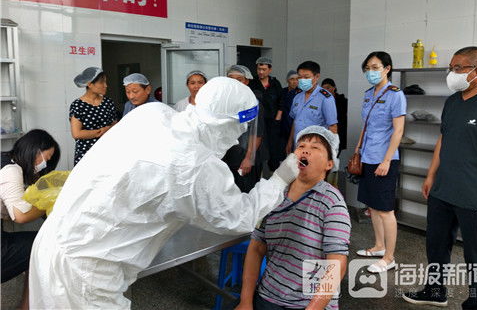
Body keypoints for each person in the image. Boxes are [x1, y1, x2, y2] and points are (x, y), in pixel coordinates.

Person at [29, 77, 300, 309]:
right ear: (223, 125)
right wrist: (280, 178)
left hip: (55, 239)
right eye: (239, 127)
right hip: (87, 270)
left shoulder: (153, 114)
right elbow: (239, 217)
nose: (238, 135)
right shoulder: (194, 166)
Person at [403, 47, 477, 309]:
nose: (452, 73)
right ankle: (435, 291)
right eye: (451, 68)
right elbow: (443, 139)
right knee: (436, 246)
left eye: (457, 68)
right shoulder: (453, 102)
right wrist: (431, 175)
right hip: (443, 190)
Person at [236, 126, 349, 310]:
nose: (305, 149)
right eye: (301, 145)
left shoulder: (332, 202)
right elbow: (256, 247)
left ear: (330, 164)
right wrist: (246, 301)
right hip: (268, 295)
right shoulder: (273, 194)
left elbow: (336, 264)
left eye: (315, 147)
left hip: (308, 302)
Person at [354, 51, 406, 273]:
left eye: (375, 67)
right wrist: (357, 148)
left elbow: (398, 130)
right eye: (368, 68)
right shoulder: (368, 94)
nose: (370, 72)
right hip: (367, 156)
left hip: (384, 159)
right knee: (373, 207)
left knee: (385, 210)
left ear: (387, 69)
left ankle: (389, 257)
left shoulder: (396, 95)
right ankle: (378, 246)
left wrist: (386, 160)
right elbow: (366, 126)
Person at [1, 129, 60, 310]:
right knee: (43, 243)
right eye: (46, 158)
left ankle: (26, 306)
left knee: (35, 243)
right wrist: (50, 202)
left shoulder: (5, 159)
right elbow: (21, 215)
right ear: (34, 151)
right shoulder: (11, 170)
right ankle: (26, 307)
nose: (45, 164)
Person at [223, 65, 267, 193]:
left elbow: (257, 134)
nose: (235, 83)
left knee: (246, 193)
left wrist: (249, 158)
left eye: (239, 79)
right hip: (231, 156)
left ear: (247, 81)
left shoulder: (253, 102)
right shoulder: (226, 101)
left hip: (247, 157)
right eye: (231, 79)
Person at [69, 67, 119, 165]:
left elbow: (116, 125)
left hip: (109, 152)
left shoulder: (108, 102)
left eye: (105, 82)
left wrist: (108, 129)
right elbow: (77, 133)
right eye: (101, 82)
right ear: (90, 84)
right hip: (86, 153)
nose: (106, 85)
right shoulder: (77, 105)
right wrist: (100, 132)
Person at [286, 61, 338, 154]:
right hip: (298, 147)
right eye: (300, 77)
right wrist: (290, 142)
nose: (302, 80)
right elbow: (296, 121)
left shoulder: (325, 98)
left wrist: (331, 152)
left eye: (306, 77)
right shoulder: (297, 97)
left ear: (317, 77)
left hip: (316, 150)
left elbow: (333, 127)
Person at [249, 57, 284, 171]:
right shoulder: (252, 83)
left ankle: (273, 173)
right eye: (259, 69)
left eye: (264, 69)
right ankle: (257, 172)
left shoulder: (275, 83)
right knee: (257, 147)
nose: (261, 72)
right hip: (257, 121)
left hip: (272, 122)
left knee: (273, 148)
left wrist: (278, 118)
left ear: (270, 70)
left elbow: (281, 101)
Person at [321, 78, 348, 157]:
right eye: (323, 88)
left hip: (339, 133)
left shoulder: (342, 101)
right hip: (324, 133)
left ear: (334, 88)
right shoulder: (320, 101)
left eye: (328, 87)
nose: (326, 90)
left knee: (334, 156)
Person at [280, 70, 302, 153]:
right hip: (282, 128)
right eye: (292, 79)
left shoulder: (301, 94)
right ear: (287, 80)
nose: (295, 81)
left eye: (297, 79)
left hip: (295, 127)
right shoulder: (282, 92)